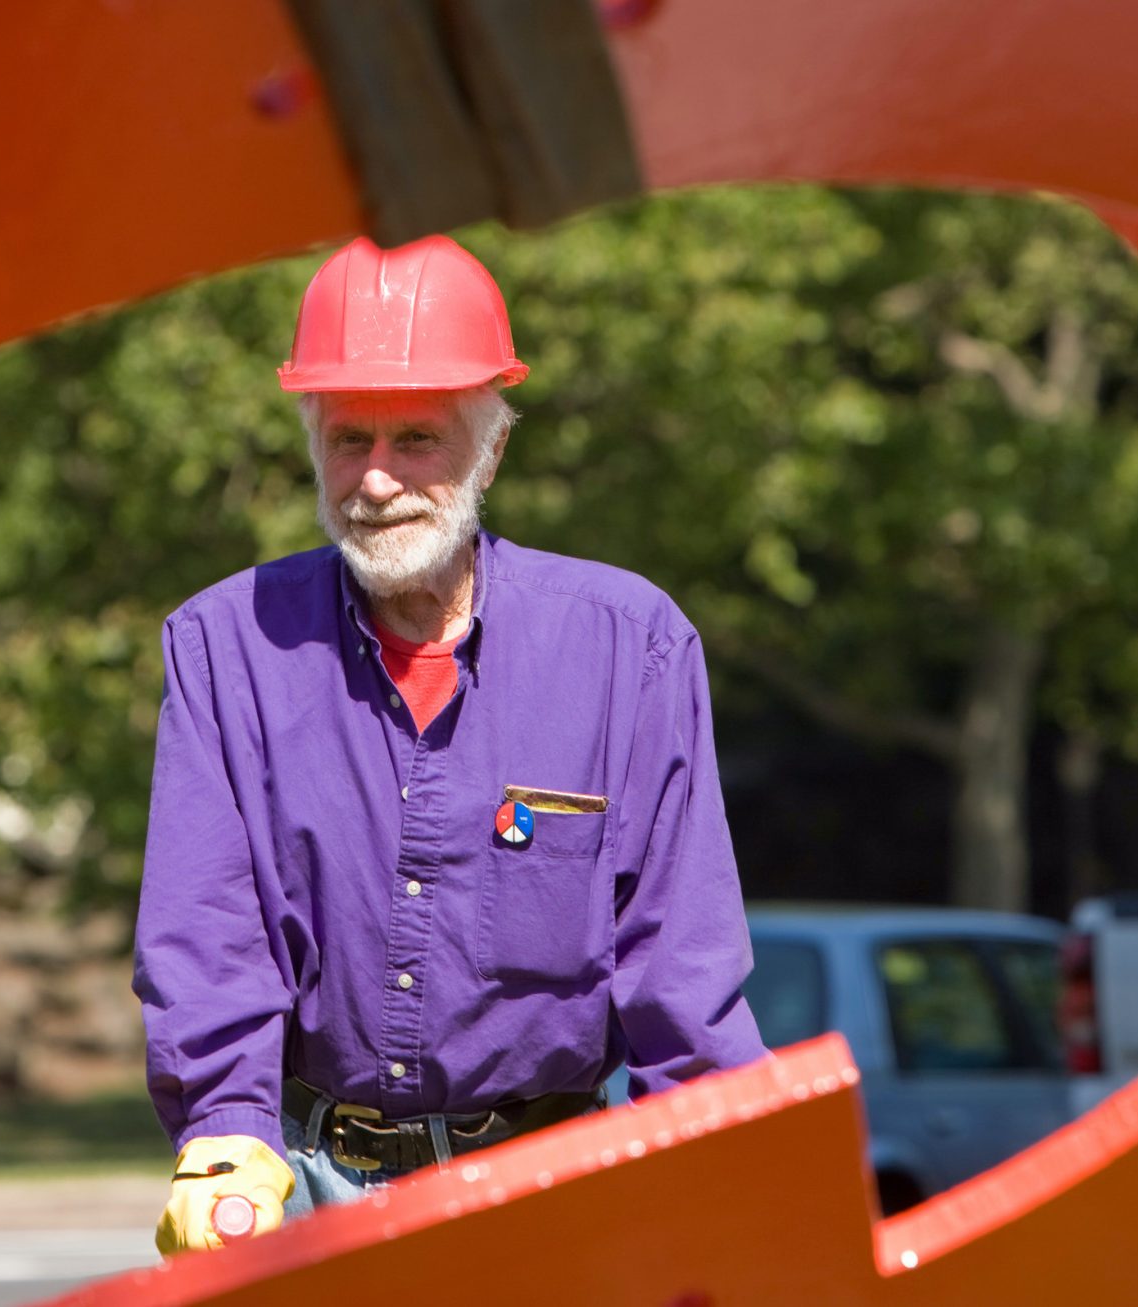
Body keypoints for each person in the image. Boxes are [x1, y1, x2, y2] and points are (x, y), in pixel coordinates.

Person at [134, 234, 765, 1256]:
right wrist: (222, 1136)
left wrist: (717, 1179)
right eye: (348, 440)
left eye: (416, 438)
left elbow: (677, 964)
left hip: (550, 1194)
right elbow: (206, 935)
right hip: (310, 1188)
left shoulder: (627, 642)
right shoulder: (223, 643)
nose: (376, 480)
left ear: (492, 447)